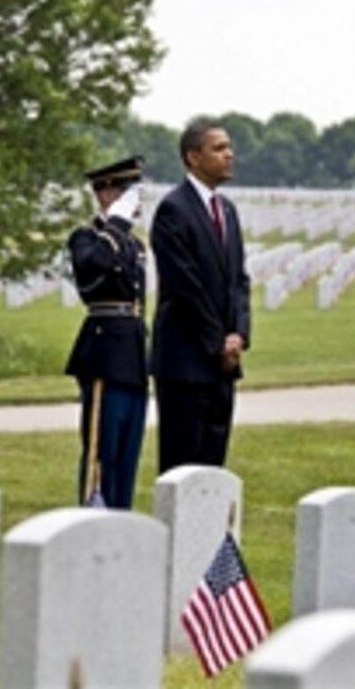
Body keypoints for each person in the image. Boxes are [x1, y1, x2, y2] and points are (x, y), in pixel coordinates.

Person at [150, 118, 251, 475]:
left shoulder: (227, 210)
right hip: (187, 359)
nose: (229, 154)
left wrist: (238, 334)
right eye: (219, 148)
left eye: (229, 147)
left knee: (213, 465)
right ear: (193, 157)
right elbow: (184, 286)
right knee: (182, 465)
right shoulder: (173, 210)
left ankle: (209, 533)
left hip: (223, 362)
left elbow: (238, 279)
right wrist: (217, 343)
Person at [65, 156, 150, 509]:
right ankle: (94, 512)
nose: (135, 200)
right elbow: (93, 271)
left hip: (132, 353)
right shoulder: (86, 237)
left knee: (128, 450)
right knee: (103, 448)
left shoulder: (134, 244)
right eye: (126, 191)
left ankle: (121, 514)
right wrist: (116, 222)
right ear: (105, 194)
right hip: (104, 352)